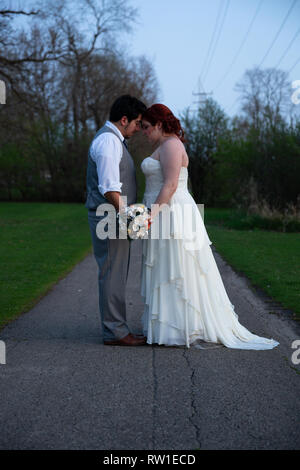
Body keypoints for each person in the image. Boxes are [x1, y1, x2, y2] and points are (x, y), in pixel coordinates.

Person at [140, 103, 279, 350]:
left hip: (171, 212)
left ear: (160, 124)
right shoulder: (165, 146)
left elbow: (171, 185)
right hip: (164, 211)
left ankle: (180, 328)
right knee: (167, 266)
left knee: (178, 267)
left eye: (147, 127)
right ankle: (170, 326)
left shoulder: (171, 145)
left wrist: (150, 214)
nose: (144, 132)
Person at [85, 94, 147, 346]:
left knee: (116, 272)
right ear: (124, 120)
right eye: (136, 123)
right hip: (110, 216)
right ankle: (116, 332)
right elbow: (109, 188)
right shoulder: (109, 141)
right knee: (113, 273)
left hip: (113, 215)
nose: (138, 129)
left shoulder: (112, 139)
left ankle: (116, 328)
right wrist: (130, 216)